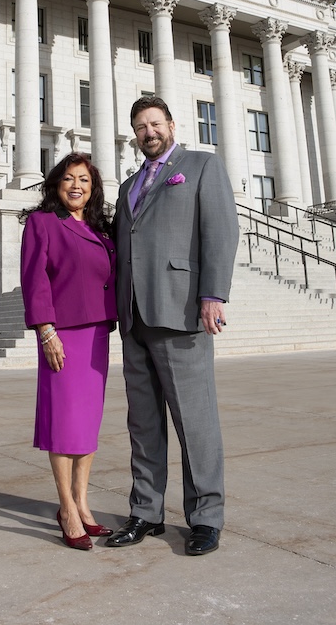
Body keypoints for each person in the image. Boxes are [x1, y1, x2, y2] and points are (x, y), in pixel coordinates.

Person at [106, 95, 239, 556]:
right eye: (140, 126)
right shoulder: (127, 187)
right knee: (142, 425)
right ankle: (146, 511)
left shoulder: (202, 167)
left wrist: (212, 295)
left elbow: (221, 232)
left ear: (171, 125)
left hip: (181, 314)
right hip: (135, 318)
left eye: (154, 124)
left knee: (195, 422)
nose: (148, 132)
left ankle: (205, 517)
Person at [20, 152, 117, 551]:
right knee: (64, 423)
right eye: (69, 179)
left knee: (87, 423)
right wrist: (46, 331)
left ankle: (82, 500)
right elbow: (35, 278)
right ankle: (65, 507)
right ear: (56, 185)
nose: (77, 186)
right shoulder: (42, 223)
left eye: (85, 180)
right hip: (62, 334)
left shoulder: (100, 230)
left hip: (97, 332)